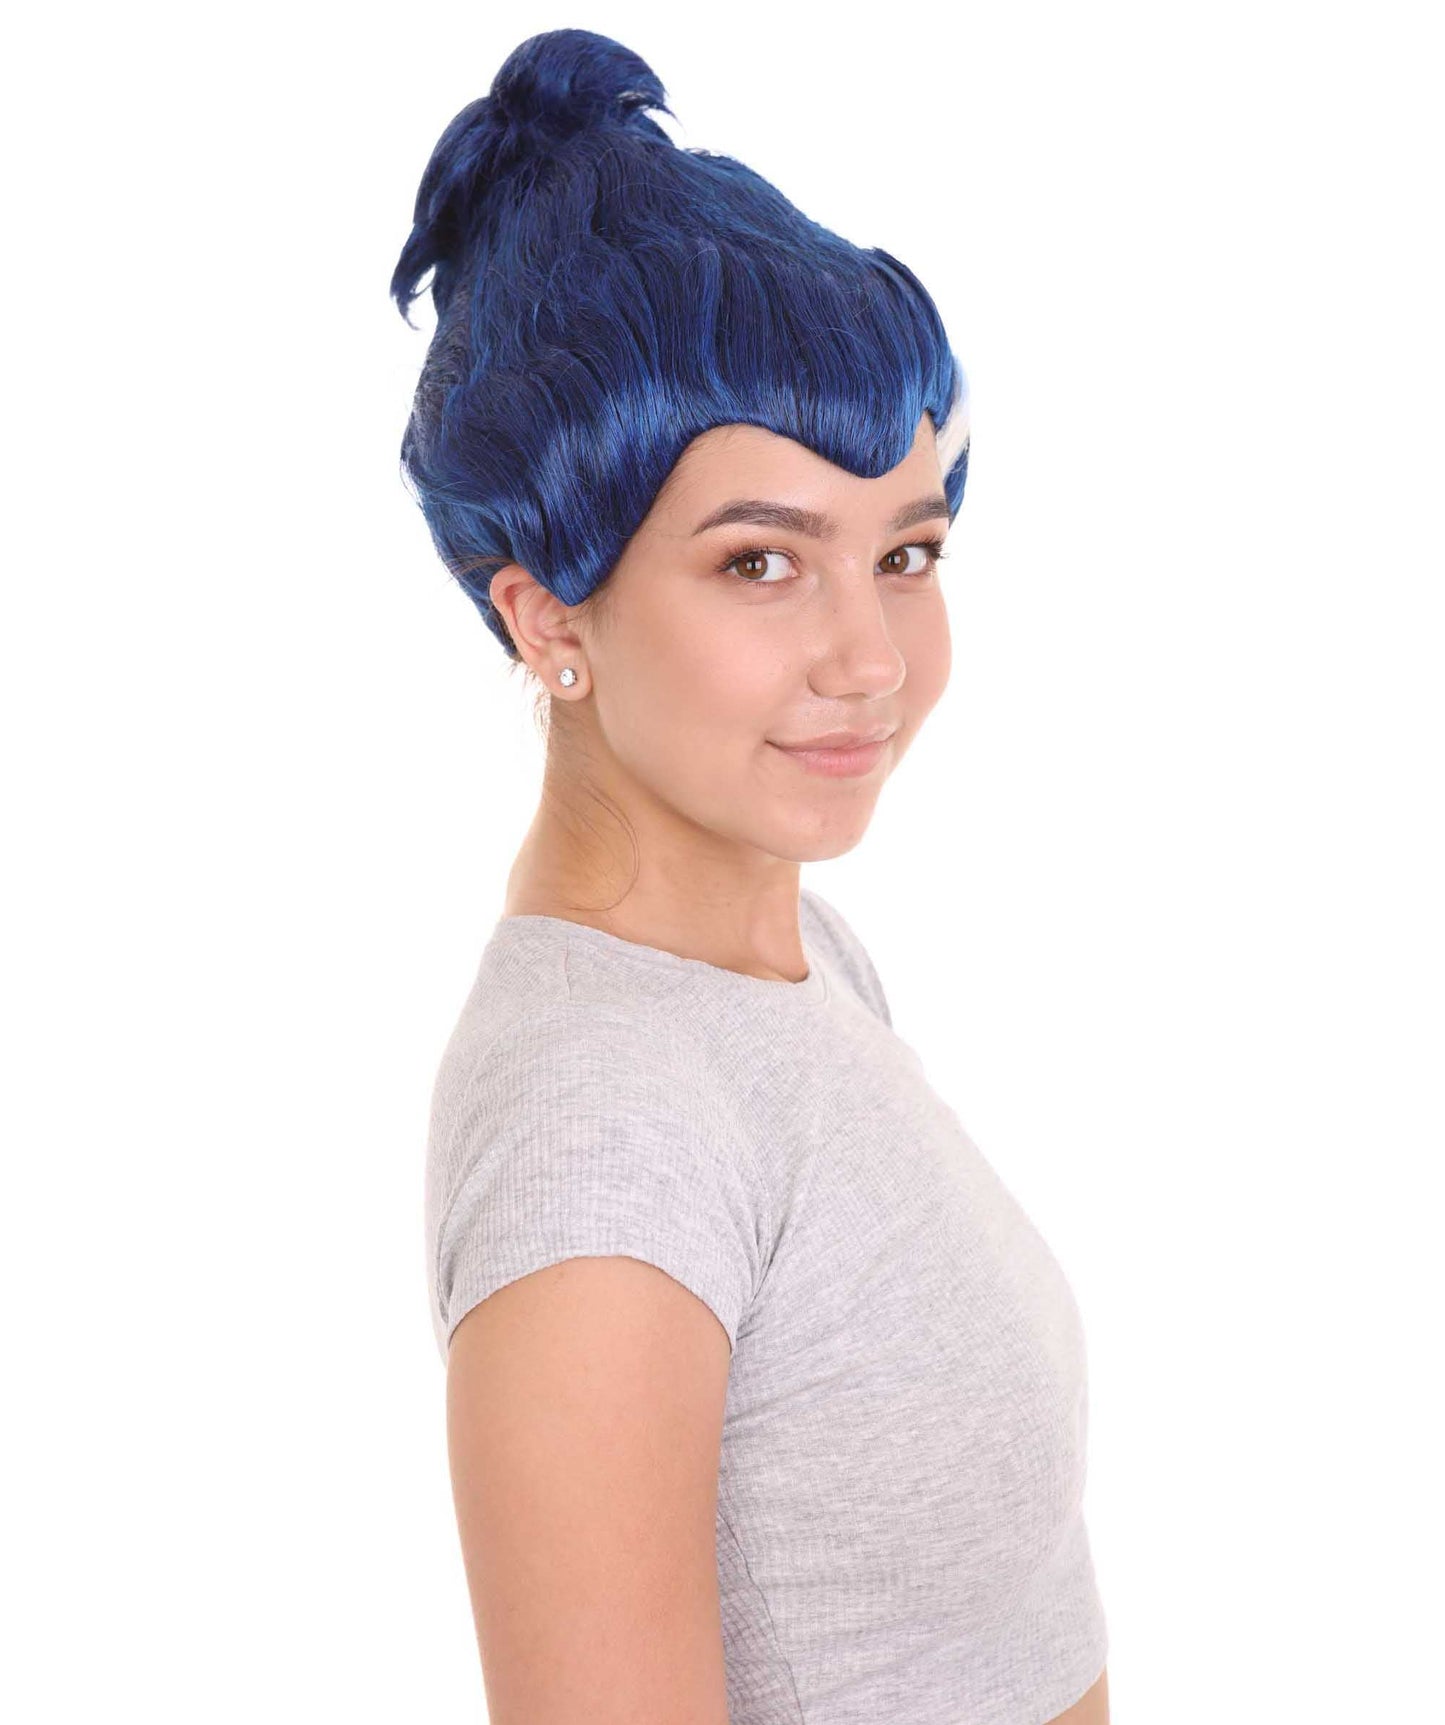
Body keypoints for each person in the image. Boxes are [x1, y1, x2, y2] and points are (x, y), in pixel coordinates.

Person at [392, 28, 1110, 1725]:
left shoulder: (797, 960)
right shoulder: (599, 1130)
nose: (870, 659)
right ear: (544, 611)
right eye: (762, 562)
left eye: (907, 550)